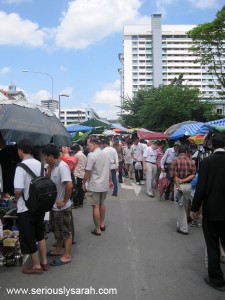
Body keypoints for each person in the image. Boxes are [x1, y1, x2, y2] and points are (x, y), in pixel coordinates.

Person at [191, 133, 225, 291]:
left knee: (213, 246)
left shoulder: (206, 162)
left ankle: (216, 279)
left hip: (212, 211)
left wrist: (195, 209)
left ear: (211, 145)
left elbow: (201, 189)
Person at [14, 139, 47, 274]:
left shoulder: (20, 167)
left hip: (25, 208)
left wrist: (18, 200)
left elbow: (18, 190)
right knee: (40, 233)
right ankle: (44, 261)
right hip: (39, 206)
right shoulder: (40, 164)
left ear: (21, 151)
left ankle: (36, 265)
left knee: (29, 235)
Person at [42, 144, 73, 266]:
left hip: (62, 207)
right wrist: (48, 173)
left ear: (50, 156)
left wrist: (64, 201)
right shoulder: (53, 167)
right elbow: (50, 182)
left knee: (66, 231)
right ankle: (59, 249)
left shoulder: (62, 166)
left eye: (45, 156)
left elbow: (69, 185)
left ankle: (67, 255)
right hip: (55, 206)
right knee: (57, 229)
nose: (44, 158)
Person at [82, 138, 113, 236]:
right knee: (102, 203)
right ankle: (102, 224)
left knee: (95, 206)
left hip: (95, 185)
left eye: (88, 144)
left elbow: (88, 171)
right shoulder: (106, 154)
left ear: (94, 144)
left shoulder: (92, 155)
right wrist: (110, 181)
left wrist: (83, 182)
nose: (88, 147)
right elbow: (109, 170)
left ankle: (97, 229)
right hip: (104, 184)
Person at [170, 145, 196, 235]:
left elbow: (174, 176)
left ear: (178, 152)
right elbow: (193, 174)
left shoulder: (175, 161)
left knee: (180, 207)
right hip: (188, 186)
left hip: (179, 186)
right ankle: (179, 224)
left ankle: (184, 228)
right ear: (186, 153)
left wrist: (178, 186)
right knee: (183, 205)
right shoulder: (192, 161)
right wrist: (184, 180)